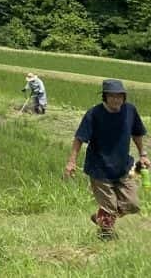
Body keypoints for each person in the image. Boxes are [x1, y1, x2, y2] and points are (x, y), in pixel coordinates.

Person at [64, 78, 149, 238]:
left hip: (122, 167)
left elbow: (137, 133)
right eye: (112, 96)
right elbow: (79, 138)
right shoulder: (94, 114)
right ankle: (106, 236)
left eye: (120, 96)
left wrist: (143, 154)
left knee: (133, 204)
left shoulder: (130, 110)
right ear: (105, 97)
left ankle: (99, 218)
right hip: (99, 168)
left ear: (124, 97)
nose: (116, 99)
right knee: (109, 206)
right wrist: (71, 161)